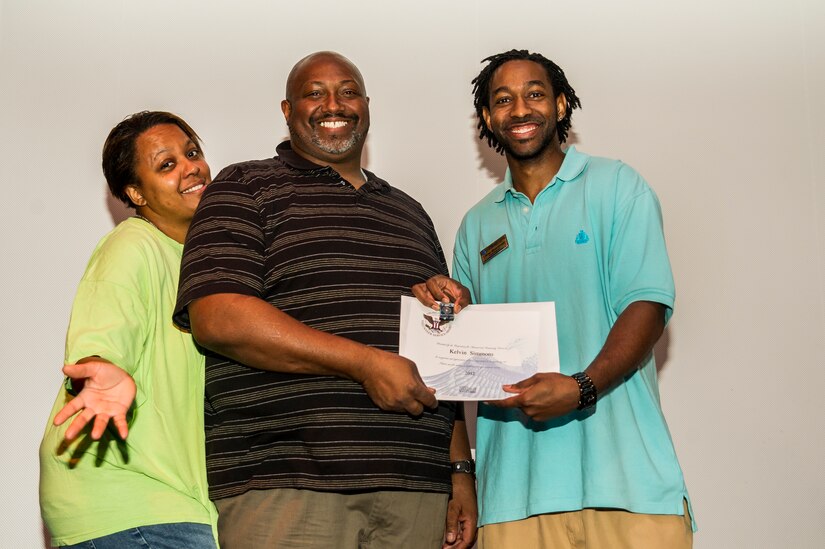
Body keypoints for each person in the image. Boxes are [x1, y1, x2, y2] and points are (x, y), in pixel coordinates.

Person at [172, 51, 477, 549]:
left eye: (348, 91)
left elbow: (442, 362)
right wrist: (364, 364)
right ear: (288, 110)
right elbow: (218, 317)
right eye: (314, 92)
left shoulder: (411, 213)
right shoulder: (243, 186)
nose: (333, 104)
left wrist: (460, 472)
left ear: (368, 106)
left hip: (418, 490)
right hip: (287, 484)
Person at [413, 49, 695, 549]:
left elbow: (646, 307)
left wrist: (582, 387)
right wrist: (444, 311)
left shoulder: (618, 187)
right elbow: (465, 362)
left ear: (561, 105)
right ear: (487, 118)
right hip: (513, 502)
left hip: (627, 490)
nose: (520, 110)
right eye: (503, 100)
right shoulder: (476, 225)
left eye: (535, 94)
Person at [39, 111, 219, 548]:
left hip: (168, 500)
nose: (190, 167)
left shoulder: (199, 265)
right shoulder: (132, 244)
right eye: (167, 164)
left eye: (191, 152)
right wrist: (102, 366)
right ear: (135, 192)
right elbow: (104, 331)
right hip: (129, 496)